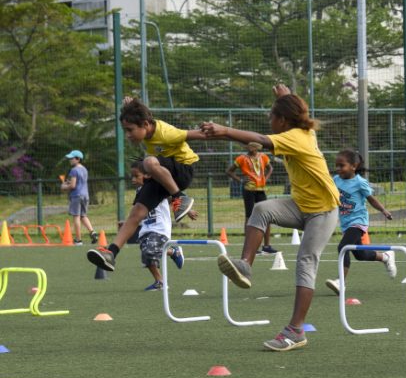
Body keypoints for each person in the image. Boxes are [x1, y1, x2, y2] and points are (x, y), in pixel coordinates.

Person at [201, 84, 340, 352]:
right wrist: (285, 98)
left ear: (283, 121)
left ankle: (295, 331)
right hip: (301, 205)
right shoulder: (302, 129)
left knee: (305, 261)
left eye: (271, 117)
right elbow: (298, 111)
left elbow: (261, 140)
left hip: (323, 211)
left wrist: (225, 131)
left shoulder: (296, 137)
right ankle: (244, 265)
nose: (269, 122)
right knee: (262, 209)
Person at [86, 97, 206, 272]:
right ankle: (111, 253)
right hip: (165, 173)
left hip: (183, 169)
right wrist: (129, 105)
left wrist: (223, 131)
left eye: (130, 130)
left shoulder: (167, 133)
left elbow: (200, 134)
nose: (127, 135)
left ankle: (180, 197)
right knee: (137, 212)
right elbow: (141, 113)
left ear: (144, 124)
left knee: (148, 162)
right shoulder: (147, 128)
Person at [324, 149, 396, 295]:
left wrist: (383, 210)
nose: (338, 169)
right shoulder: (336, 180)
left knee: (343, 247)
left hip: (358, 222)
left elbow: (371, 199)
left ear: (353, 166)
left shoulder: (360, 183)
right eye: (336, 166)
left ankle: (341, 282)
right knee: (361, 254)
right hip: (346, 223)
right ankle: (386, 256)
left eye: (341, 165)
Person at [128, 161, 195, 291]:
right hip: (145, 228)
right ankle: (160, 280)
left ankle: (173, 253)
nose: (133, 180)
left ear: (147, 175)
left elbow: (175, 196)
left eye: (136, 176)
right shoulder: (139, 191)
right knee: (147, 256)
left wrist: (188, 210)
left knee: (150, 251)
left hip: (160, 227)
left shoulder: (158, 187)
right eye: (132, 176)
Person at [226, 141, 278, 254]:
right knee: (249, 217)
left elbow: (271, 168)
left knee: (267, 216)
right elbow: (229, 171)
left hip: (261, 190)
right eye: (248, 147)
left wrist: (266, 178)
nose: (250, 149)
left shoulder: (263, 157)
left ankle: (267, 245)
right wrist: (240, 180)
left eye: (252, 147)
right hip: (248, 190)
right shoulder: (241, 158)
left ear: (256, 148)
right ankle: (249, 246)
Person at [60, 149, 98, 246]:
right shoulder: (84, 169)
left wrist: (64, 186)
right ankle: (92, 232)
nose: (70, 160)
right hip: (85, 195)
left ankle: (78, 240)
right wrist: (69, 183)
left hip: (76, 195)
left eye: (71, 158)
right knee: (83, 215)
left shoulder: (74, 170)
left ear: (77, 159)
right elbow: (79, 182)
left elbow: (73, 185)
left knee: (76, 217)